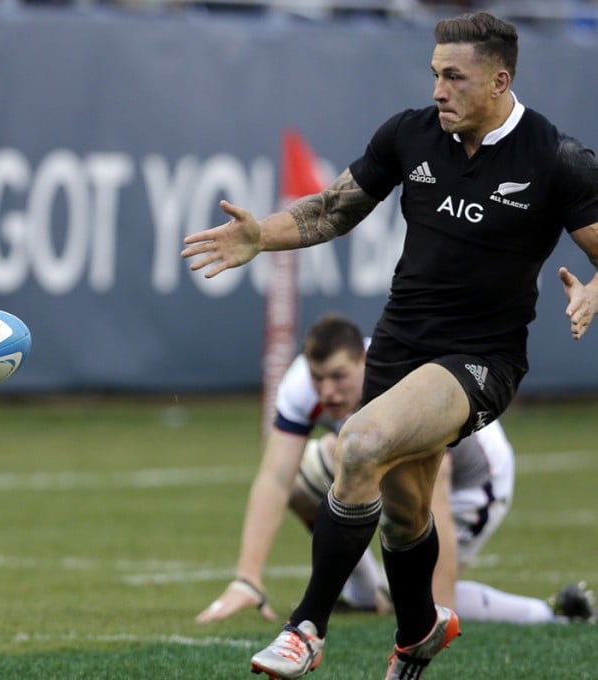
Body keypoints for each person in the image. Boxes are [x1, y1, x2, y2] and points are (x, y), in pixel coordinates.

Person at [181, 11, 598, 678]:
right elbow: (333, 209)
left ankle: (305, 627)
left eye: (454, 78)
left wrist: (592, 291)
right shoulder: (411, 134)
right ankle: (416, 633)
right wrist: (264, 235)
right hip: (401, 345)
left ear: (499, 80)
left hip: (480, 360)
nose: (438, 91)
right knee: (403, 516)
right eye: (434, 75)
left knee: (360, 444)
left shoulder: (555, 158)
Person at [194, 314, 593, 627]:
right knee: (309, 474)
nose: (327, 391)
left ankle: (551, 612)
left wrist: (436, 611)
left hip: (474, 483)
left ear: (364, 363)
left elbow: (434, 486)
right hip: (393, 467)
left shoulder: (395, 379)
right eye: (319, 378)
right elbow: (275, 478)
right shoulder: (302, 383)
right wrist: (247, 577)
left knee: (425, 598)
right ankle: (369, 596)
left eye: (338, 376)